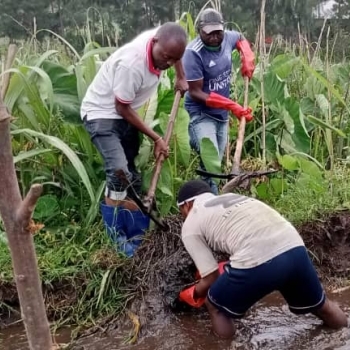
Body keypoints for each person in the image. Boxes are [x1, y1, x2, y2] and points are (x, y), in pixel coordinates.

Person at [175, 179, 348, 338]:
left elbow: (211, 278)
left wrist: (191, 294)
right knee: (321, 305)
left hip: (259, 258)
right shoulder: (232, 198)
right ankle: (344, 335)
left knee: (215, 305)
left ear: (187, 205)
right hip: (294, 246)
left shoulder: (191, 222)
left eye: (181, 212)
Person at [80, 23, 188, 253]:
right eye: (166, 57)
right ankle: (116, 237)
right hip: (102, 113)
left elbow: (175, 53)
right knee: (119, 171)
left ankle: (136, 233)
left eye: (174, 59)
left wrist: (180, 75)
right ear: (155, 42)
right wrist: (156, 138)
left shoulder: (165, 42)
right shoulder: (133, 64)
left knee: (132, 174)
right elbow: (121, 107)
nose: (167, 63)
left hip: (125, 115)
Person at [182, 9, 255, 194]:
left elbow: (239, 37)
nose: (215, 37)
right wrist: (232, 106)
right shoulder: (193, 53)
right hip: (201, 113)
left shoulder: (228, 38)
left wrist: (246, 54)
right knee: (210, 159)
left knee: (215, 162)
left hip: (220, 115)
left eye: (218, 32)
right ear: (200, 31)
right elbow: (196, 92)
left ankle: (211, 196)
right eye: (209, 33)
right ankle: (213, 200)